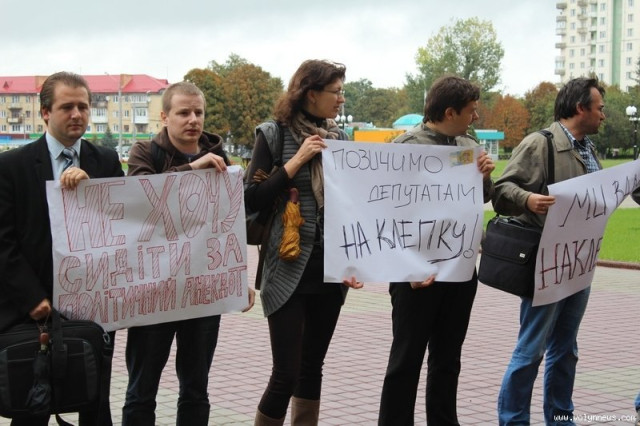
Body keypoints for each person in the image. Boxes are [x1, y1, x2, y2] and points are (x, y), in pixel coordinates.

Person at [122, 81, 255, 426]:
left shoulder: (221, 158)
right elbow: (141, 200)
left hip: (202, 292)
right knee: (141, 391)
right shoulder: (144, 152)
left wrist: (236, 277)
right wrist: (194, 169)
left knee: (196, 389)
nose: (193, 119)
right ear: (165, 117)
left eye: (198, 112)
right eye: (183, 113)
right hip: (154, 292)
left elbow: (227, 226)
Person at [0, 71, 123, 425]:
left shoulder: (105, 161)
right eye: (67, 107)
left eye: (83, 106)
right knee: (33, 402)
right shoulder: (12, 166)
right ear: (45, 112)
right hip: (34, 308)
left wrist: (92, 190)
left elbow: (122, 223)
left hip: (92, 305)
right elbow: (3, 242)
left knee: (94, 399)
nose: (77, 114)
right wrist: (32, 298)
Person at [245, 59, 362, 426]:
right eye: (336, 91)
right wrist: (296, 161)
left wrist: (354, 261)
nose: (341, 98)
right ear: (311, 93)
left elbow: (354, 205)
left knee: (312, 367)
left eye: (342, 91)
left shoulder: (340, 140)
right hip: (287, 269)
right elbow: (251, 198)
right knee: (286, 373)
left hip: (330, 272)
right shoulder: (273, 135)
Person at [377, 75, 495, 426]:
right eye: (471, 110)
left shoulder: (468, 144)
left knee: (448, 359)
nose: (475, 117)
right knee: (406, 360)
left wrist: (484, 176)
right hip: (416, 274)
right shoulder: (404, 147)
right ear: (449, 112)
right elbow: (382, 212)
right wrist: (405, 268)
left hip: (459, 269)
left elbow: (480, 198)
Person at [493, 77, 605, 425]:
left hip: (580, 263)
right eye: (599, 108)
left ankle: (560, 418)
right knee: (531, 349)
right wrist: (528, 199)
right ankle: (513, 420)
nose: (604, 115)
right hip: (548, 263)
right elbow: (501, 191)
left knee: (566, 350)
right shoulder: (540, 143)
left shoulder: (588, 149)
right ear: (580, 108)